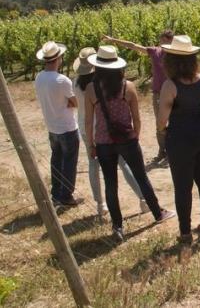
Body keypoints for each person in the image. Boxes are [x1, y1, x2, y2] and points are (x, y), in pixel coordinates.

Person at [85, 45, 175, 241]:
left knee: (110, 183)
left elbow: (88, 121)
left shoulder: (91, 89)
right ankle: (157, 212)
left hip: (103, 141)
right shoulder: (128, 87)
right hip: (127, 139)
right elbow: (137, 117)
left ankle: (117, 226)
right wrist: (135, 135)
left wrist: (91, 145)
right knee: (141, 177)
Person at [158, 35, 200, 244]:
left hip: (180, 140)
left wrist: (164, 130)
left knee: (183, 186)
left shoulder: (170, 85)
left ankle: (185, 232)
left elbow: (161, 121)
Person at [73, 47, 149, 217]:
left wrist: (90, 143)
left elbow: (83, 115)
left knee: (95, 166)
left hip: (89, 131)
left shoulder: (76, 83)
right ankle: (143, 199)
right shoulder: (106, 84)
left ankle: (101, 205)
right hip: (107, 130)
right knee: (124, 164)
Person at [103, 30, 174, 164]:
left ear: (170, 40)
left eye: (164, 40)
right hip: (158, 93)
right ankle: (162, 151)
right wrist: (113, 40)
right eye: (161, 40)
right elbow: (133, 45)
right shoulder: (155, 52)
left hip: (172, 93)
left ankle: (171, 152)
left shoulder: (175, 54)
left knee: (173, 122)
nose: (162, 43)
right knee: (160, 124)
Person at [34, 41, 82, 207]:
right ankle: (66, 196)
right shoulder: (62, 80)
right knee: (69, 162)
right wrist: (68, 103)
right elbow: (76, 102)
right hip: (67, 127)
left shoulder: (39, 78)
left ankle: (56, 193)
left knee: (56, 160)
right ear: (58, 58)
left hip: (52, 127)